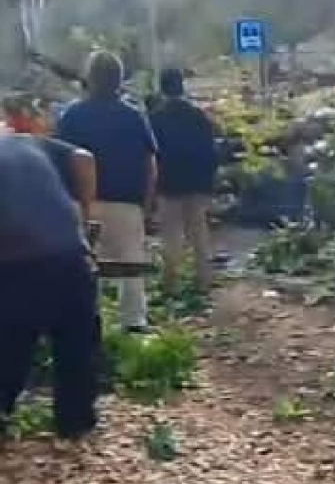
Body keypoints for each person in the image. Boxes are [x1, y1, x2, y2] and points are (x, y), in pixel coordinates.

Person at [0, 134, 98, 440]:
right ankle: (75, 423)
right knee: (77, 343)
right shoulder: (28, 142)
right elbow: (84, 157)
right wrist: (87, 214)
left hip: (17, 263)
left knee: (10, 346)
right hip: (72, 256)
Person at [58, 51, 157, 331]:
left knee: (87, 268)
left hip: (85, 203)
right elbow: (150, 164)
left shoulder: (72, 116)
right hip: (126, 203)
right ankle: (134, 327)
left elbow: (62, 159)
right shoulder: (134, 116)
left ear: (89, 79)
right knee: (131, 268)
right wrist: (148, 205)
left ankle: (89, 323)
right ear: (119, 80)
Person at [149, 67, 217, 294]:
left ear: (162, 88)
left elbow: (152, 154)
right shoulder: (199, 116)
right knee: (198, 232)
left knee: (171, 236)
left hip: (169, 184)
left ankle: (170, 284)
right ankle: (204, 281)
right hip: (197, 183)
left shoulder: (155, 118)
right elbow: (211, 151)